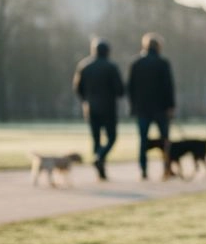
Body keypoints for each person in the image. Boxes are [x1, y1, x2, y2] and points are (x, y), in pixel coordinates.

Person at [72, 38, 125, 180]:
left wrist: (85, 100)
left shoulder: (84, 66)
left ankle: (99, 166)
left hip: (90, 107)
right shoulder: (111, 67)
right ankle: (100, 158)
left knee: (96, 139)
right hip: (108, 107)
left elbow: (77, 87)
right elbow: (120, 89)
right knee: (112, 137)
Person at [127, 32, 176, 180]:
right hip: (161, 108)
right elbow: (169, 87)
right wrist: (171, 106)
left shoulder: (136, 63)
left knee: (143, 141)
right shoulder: (163, 63)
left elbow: (130, 87)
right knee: (165, 140)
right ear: (159, 47)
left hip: (142, 109)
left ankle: (143, 170)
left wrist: (133, 106)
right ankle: (167, 168)